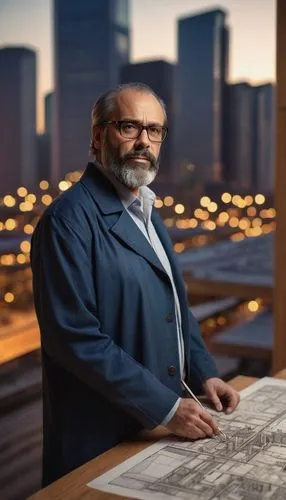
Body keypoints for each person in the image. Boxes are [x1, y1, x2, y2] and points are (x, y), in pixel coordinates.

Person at [31, 82, 240, 486]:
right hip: (99, 441)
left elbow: (174, 305)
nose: (144, 141)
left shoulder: (147, 210)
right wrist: (166, 408)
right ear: (97, 137)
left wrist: (205, 374)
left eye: (155, 130)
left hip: (154, 433)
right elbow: (74, 338)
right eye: (129, 127)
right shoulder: (67, 221)